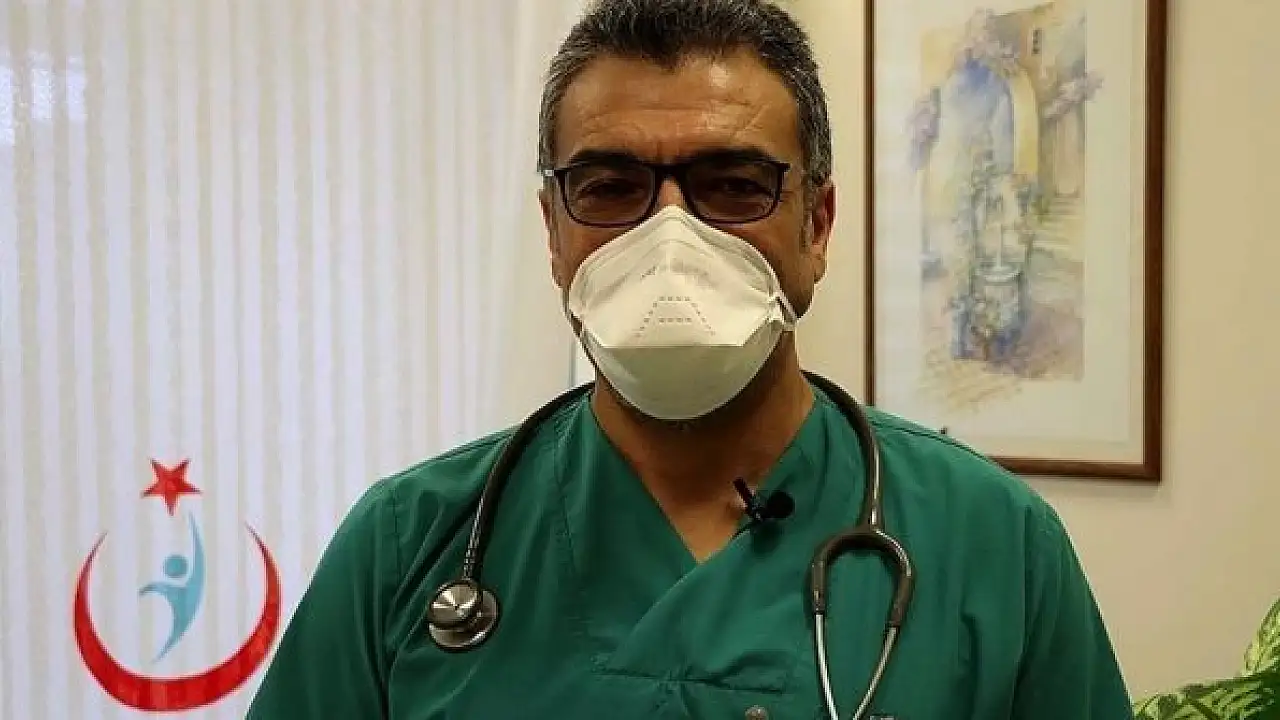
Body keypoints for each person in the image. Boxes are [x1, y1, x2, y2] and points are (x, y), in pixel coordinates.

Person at [246, 1, 1133, 718]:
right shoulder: (406, 546)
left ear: (817, 227)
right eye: (609, 187)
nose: (670, 238)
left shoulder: (994, 544)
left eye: (734, 186)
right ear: (553, 232)